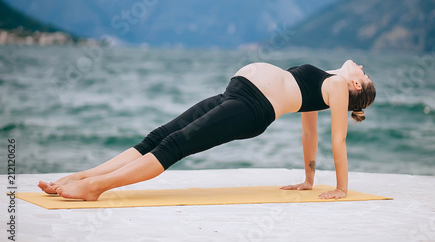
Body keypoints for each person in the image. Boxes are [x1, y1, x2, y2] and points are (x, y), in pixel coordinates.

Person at [39, 60, 376, 201]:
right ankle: (80, 177)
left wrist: (341, 188)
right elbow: (308, 135)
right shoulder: (325, 83)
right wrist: (308, 179)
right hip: (236, 94)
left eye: (364, 72)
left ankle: (95, 188)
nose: (360, 66)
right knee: (156, 137)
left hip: (252, 109)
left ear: (356, 85)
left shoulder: (338, 87)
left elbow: (336, 138)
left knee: (174, 144)